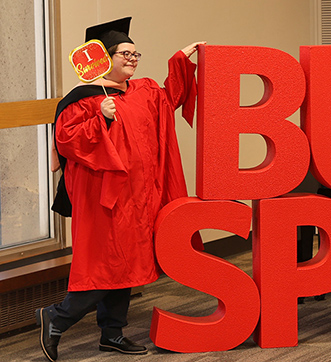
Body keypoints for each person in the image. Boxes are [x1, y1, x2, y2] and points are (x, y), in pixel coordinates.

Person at [35, 17, 204, 361]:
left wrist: (180, 61)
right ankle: (57, 317)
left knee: (126, 264)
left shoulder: (143, 91)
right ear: (102, 57)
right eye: (124, 53)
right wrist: (101, 118)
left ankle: (112, 333)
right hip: (103, 198)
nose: (132, 58)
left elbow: (171, 97)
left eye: (135, 53)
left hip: (139, 198)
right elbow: (66, 141)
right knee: (105, 265)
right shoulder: (83, 99)